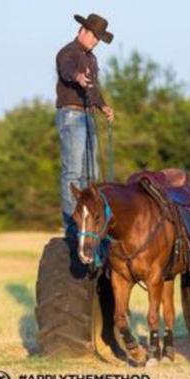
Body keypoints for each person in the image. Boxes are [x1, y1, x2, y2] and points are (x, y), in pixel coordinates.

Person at [55, 13, 114, 239]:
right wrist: (78, 76)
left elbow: (93, 89)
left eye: (98, 39)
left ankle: (91, 222)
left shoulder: (92, 59)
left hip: (88, 115)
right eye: (94, 37)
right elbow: (67, 71)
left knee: (91, 174)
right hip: (71, 115)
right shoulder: (67, 52)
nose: (95, 42)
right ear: (83, 31)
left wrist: (103, 107)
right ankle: (71, 223)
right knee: (72, 171)